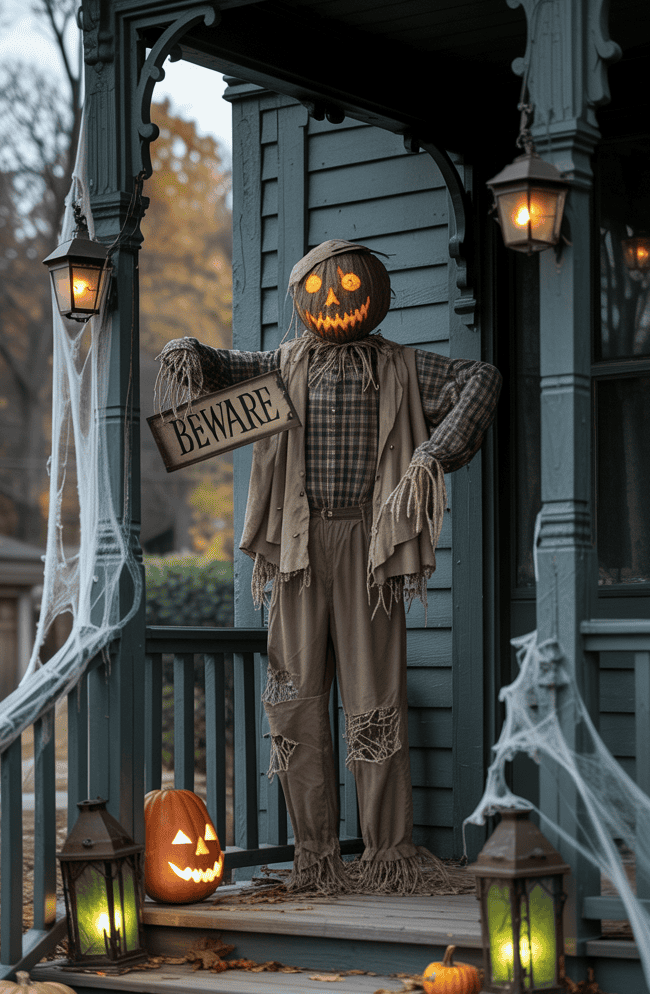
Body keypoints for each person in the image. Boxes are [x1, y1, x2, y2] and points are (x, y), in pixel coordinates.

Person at [155, 240, 501, 895]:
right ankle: (315, 856)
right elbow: (226, 368)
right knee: (294, 698)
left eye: (349, 287)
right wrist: (189, 352)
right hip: (296, 547)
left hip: (372, 547)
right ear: (300, 297)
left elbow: (481, 380)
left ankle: (387, 852)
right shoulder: (285, 364)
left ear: (377, 294)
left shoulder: (400, 366)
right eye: (322, 289)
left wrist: (434, 453)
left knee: (375, 701)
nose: (336, 299)